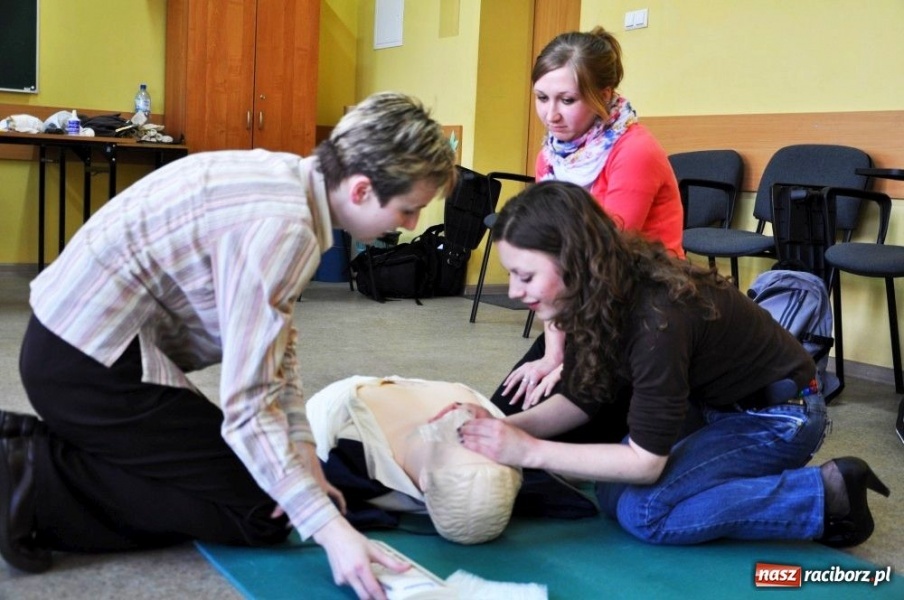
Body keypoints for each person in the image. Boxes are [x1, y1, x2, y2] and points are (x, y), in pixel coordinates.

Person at [2, 91, 456, 600]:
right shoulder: (285, 228)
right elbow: (247, 406)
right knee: (261, 512)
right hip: (85, 365)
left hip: (75, 348)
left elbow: (275, 347)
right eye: (408, 209)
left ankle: (27, 444)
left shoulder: (293, 182)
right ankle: (26, 480)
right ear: (361, 190)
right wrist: (331, 531)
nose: (412, 225)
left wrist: (303, 452)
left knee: (271, 482)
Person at [442, 181, 890, 549]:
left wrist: (527, 450)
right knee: (613, 490)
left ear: (573, 260)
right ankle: (742, 476)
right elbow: (581, 399)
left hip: (781, 416)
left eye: (525, 276)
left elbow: (644, 464)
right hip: (722, 407)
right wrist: (505, 425)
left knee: (646, 512)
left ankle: (824, 493)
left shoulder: (655, 318)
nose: (516, 291)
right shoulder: (595, 291)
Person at [498, 26, 684, 414]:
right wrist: (553, 354)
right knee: (510, 405)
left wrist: (570, 361)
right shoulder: (552, 154)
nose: (551, 115)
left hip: (639, 307)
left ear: (603, 95)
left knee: (548, 420)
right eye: (542, 98)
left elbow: (602, 260)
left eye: (567, 100)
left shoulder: (634, 151)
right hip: (577, 302)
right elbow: (552, 259)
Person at [306, 376, 522, 545]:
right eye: (482, 443)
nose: (461, 421)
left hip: (349, 396)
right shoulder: (496, 425)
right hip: (418, 389)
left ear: (425, 483)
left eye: (460, 443)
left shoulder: (353, 449)